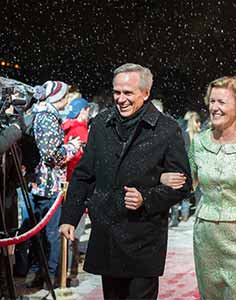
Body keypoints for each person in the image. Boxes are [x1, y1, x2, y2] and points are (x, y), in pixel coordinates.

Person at [59, 63, 192, 300]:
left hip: (143, 237)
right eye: (117, 92)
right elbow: (84, 174)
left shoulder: (167, 129)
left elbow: (183, 184)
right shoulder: (101, 123)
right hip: (107, 232)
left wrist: (147, 198)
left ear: (146, 93)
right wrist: (70, 217)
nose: (121, 99)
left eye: (128, 93)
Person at [162, 76, 236, 299]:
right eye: (212, 101)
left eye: (222, 102)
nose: (214, 108)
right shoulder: (199, 142)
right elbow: (187, 183)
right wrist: (163, 179)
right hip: (207, 236)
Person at [25, 80, 81, 288]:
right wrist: (72, 147)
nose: (67, 100)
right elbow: (52, 156)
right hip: (49, 186)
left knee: (41, 235)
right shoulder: (47, 117)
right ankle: (52, 277)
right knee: (51, 235)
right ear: (56, 98)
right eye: (65, 96)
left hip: (40, 185)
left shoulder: (40, 114)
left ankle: (42, 274)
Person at [61, 97, 90, 286]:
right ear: (82, 112)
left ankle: (63, 270)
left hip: (65, 184)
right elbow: (85, 163)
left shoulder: (65, 127)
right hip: (76, 186)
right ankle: (70, 273)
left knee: (65, 229)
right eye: (87, 111)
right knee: (74, 232)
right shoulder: (81, 131)